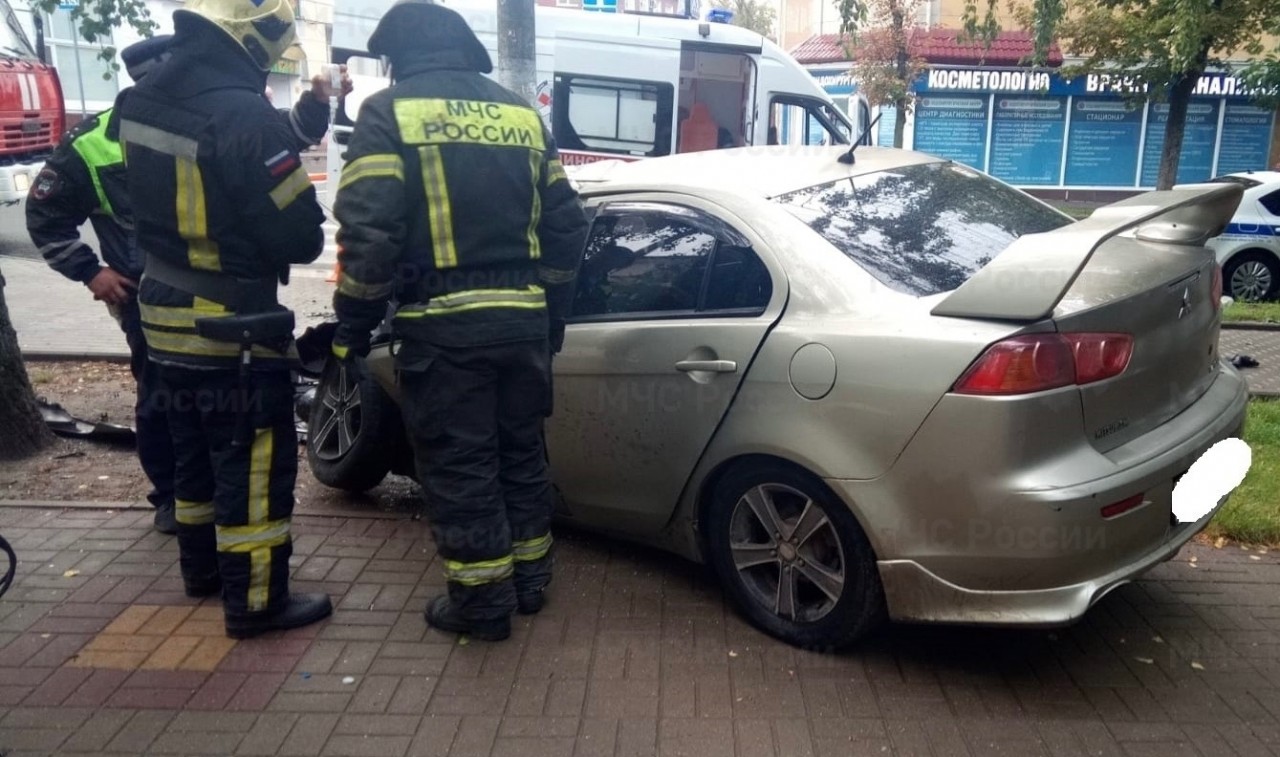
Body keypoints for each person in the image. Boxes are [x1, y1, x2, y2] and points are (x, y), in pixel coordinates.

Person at [331, 0, 589, 641]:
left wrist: (353, 326)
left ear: (398, 60)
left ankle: (480, 606)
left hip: (444, 333)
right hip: (525, 324)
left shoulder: (388, 113)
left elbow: (368, 233)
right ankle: (530, 584)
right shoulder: (521, 115)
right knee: (520, 453)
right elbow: (566, 225)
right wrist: (551, 309)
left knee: (461, 465)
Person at [118, 0, 332, 639]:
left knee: (194, 458)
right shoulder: (242, 112)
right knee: (253, 466)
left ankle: (202, 573)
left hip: (163, 318)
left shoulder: (143, 98)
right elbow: (300, 234)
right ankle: (258, 601)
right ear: (254, 36)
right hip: (230, 327)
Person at [26, 36, 178, 533]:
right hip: (146, 301)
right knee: (161, 398)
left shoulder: (203, 122)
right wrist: (91, 271)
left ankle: (211, 491)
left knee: (220, 398)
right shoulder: (93, 143)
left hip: (214, 295)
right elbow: (44, 216)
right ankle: (172, 498)